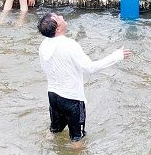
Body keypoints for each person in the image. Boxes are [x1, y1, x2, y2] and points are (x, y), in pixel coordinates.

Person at [37, 12, 131, 146]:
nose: (63, 17)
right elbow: (90, 68)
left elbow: (44, 68)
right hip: (72, 100)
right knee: (77, 139)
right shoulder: (69, 45)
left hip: (53, 96)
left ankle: (43, 150)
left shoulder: (43, 45)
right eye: (59, 18)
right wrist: (117, 56)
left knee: (54, 131)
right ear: (57, 29)